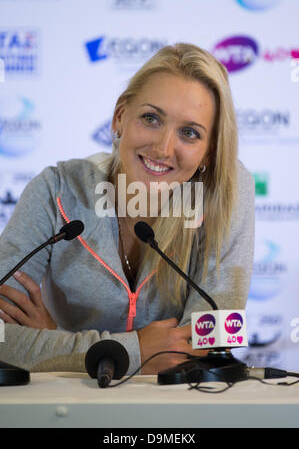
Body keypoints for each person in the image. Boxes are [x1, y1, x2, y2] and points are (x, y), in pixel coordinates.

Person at [0, 43, 255, 376]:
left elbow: (203, 349)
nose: (163, 149)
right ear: (120, 117)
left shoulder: (228, 193)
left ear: (209, 152)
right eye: (151, 118)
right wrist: (135, 349)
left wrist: (53, 342)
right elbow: (3, 339)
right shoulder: (57, 190)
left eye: (189, 133)